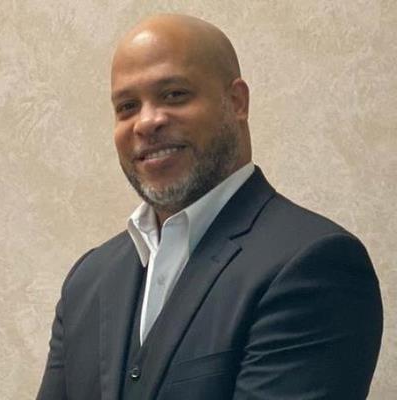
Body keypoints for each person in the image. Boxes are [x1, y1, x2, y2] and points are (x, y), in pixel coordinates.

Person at [37, 14, 383, 400]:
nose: (146, 122)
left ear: (237, 102)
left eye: (174, 94)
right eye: (127, 106)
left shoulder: (314, 263)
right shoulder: (88, 280)